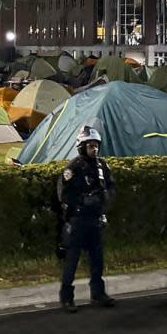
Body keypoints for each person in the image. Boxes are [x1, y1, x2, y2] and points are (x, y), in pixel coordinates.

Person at [57, 125, 117, 313]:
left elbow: (111, 186)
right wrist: (82, 201)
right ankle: (67, 298)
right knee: (72, 260)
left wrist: (104, 202)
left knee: (97, 258)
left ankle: (98, 293)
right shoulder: (73, 168)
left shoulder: (102, 166)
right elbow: (63, 194)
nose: (94, 149)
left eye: (96, 146)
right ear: (82, 147)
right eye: (90, 146)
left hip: (95, 219)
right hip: (78, 219)